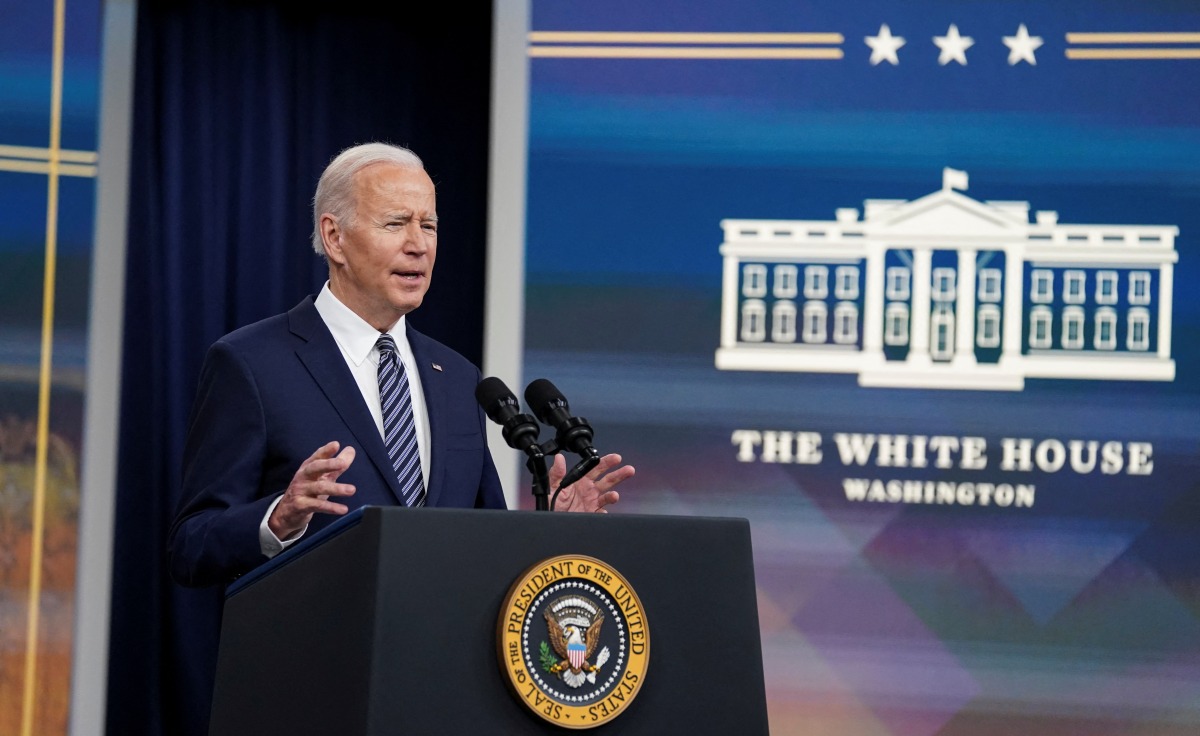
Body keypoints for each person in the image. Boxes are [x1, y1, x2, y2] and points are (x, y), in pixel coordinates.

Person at [167, 142, 634, 588]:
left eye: (428, 226)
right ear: (335, 238)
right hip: (314, 659)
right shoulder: (252, 363)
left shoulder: (458, 378)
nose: (418, 245)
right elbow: (191, 545)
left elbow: (478, 538)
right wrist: (279, 518)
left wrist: (548, 528)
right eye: (395, 224)